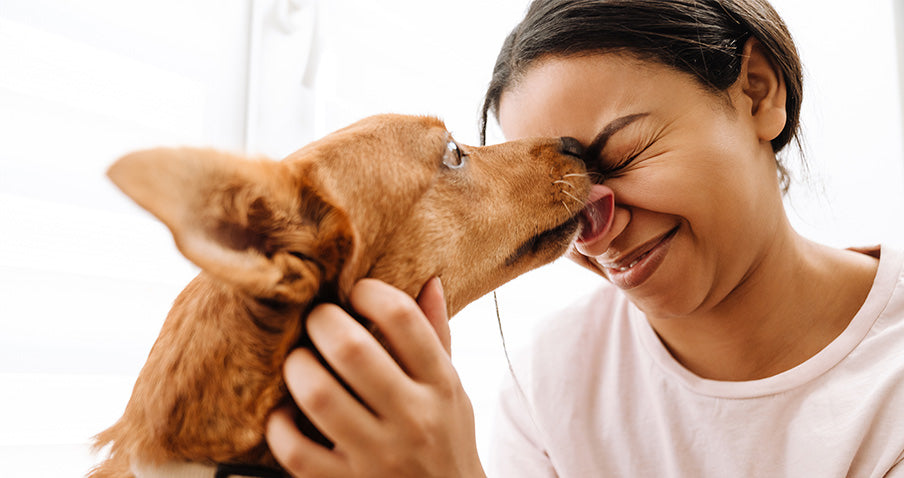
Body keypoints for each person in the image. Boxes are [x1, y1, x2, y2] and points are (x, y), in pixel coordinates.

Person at [265, 0, 904, 476]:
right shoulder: (552, 378)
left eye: (623, 153)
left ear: (758, 92)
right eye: (564, 207)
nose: (594, 234)